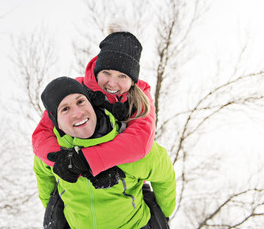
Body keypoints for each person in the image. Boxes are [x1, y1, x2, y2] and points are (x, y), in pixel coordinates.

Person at [34, 76, 176, 229]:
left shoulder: (127, 144)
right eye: (65, 109)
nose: (78, 113)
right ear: (57, 123)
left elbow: (164, 172)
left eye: (81, 101)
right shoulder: (55, 154)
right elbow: (42, 173)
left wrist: (165, 211)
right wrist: (52, 207)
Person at [33, 25, 156, 187]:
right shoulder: (75, 90)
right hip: (78, 189)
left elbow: (140, 141)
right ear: (97, 69)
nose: (112, 83)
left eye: (122, 76)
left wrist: (90, 161)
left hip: (125, 185)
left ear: (132, 80)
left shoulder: (140, 99)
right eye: (106, 73)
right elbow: (42, 134)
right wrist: (63, 158)